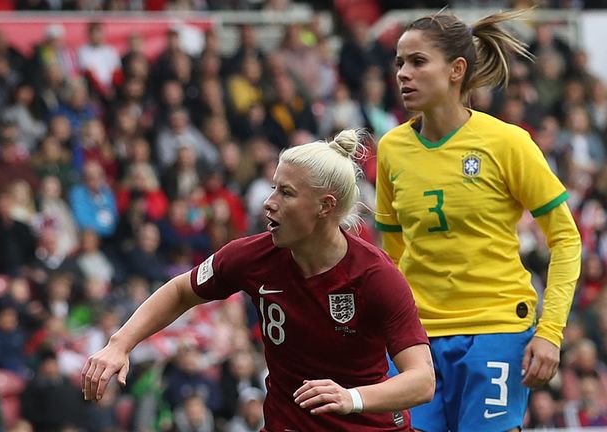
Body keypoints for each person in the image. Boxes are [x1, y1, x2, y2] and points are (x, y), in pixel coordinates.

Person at [82, 129, 435, 430]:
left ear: (325, 206)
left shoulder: (375, 276)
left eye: (286, 193)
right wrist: (120, 343)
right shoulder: (252, 256)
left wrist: (351, 397)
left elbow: (421, 380)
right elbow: (180, 291)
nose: (268, 203)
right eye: (273, 188)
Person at [375, 9, 582, 432]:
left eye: (417, 62)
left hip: (497, 331)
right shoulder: (392, 148)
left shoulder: (507, 142)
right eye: (399, 63)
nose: (403, 74)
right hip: (416, 343)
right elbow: (391, 254)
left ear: (456, 70)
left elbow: (566, 238)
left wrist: (550, 331)